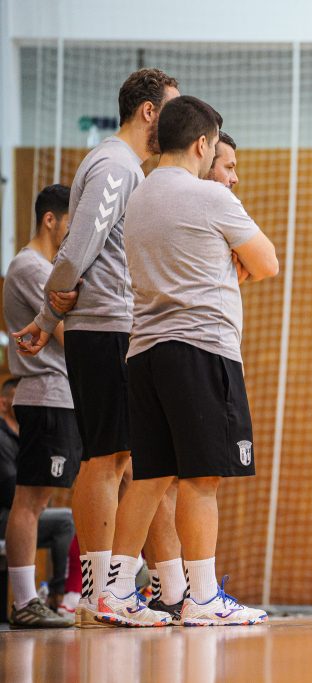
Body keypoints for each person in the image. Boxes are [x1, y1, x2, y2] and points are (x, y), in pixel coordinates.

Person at [96, 95, 278, 627]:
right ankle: (201, 598)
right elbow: (266, 262)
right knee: (203, 478)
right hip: (201, 348)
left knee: (152, 476)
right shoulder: (209, 198)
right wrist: (232, 264)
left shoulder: (139, 197)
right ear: (202, 143)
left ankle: (114, 591)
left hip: (145, 352)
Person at [14, 69, 187, 628]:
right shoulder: (115, 165)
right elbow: (76, 247)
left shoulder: (122, 167)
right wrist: (48, 312)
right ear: (148, 113)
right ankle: (100, 592)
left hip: (113, 324)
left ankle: (111, 590)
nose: (179, 122)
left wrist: (48, 316)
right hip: (105, 325)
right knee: (106, 459)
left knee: (120, 459)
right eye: (173, 110)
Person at [3, 186, 83, 628]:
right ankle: (24, 601)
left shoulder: (48, 268)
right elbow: (66, 333)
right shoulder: (30, 268)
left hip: (67, 395)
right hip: (47, 393)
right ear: (50, 219)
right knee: (32, 498)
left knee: (118, 470)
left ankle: (117, 576)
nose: (74, 232)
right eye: (70, 221)